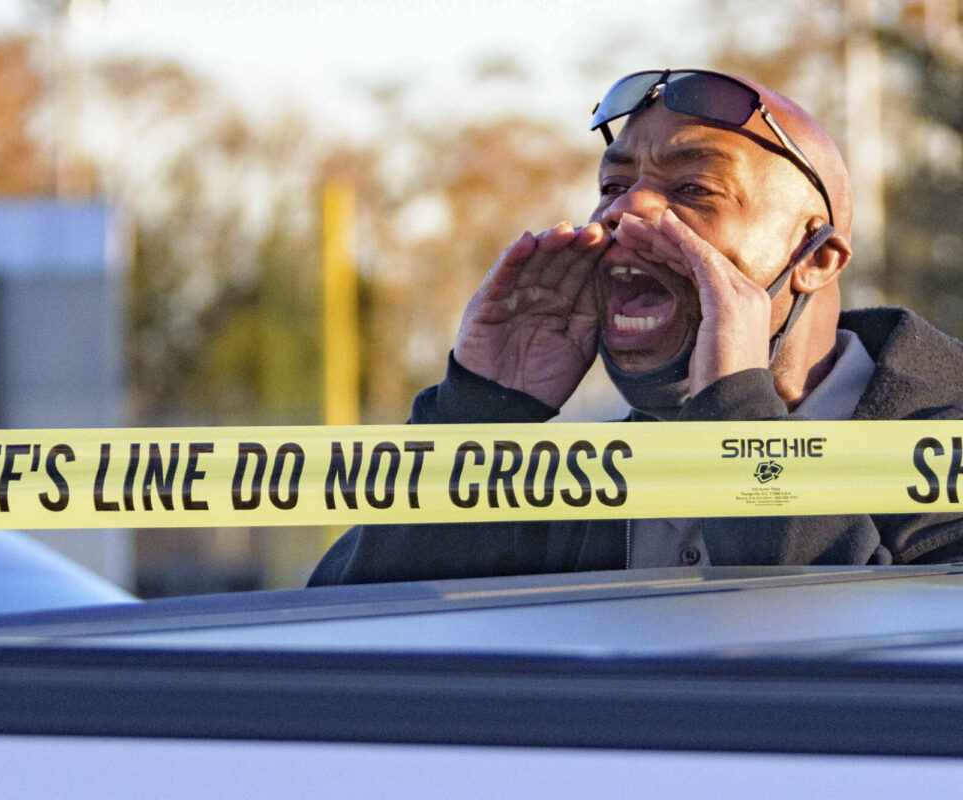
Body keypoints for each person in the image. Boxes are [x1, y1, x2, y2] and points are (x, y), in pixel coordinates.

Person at [308, 68, 963, 587]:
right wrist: (483, 414)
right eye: (612, 186)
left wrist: (736, 418)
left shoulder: (944, 447)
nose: (627, 210)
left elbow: (862, 674)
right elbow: (337, 650)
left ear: (816, 258)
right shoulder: (578, 475)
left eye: (696, 190)